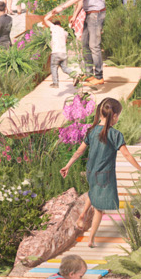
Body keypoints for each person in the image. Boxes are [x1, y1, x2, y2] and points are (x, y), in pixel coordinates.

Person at [59, 96, 124, 236]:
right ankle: (91, 239)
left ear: (100, 113)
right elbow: (128, 156)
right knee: (99, 209)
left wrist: (67, 166)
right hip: (104, 175)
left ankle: (82, 215)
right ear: (115, 116)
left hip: (91, 172)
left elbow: (79, 151)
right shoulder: (115, 134)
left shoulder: (91, 131)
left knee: (93, 191)